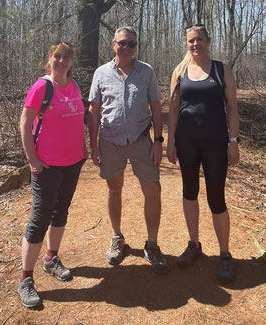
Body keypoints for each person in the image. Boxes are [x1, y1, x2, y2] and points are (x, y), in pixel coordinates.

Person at [88, 26, 169, 275]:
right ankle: (117, 237)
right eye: (122, 43)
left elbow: (156, 106)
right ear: (114, 44)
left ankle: (152, 244)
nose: (127, 48)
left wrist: (158, 140)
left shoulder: (146, 72)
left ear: (136, 47)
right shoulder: (101, 73)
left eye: (131, 44)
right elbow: (93, 110)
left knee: (153, 189)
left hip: (141, 140)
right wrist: (93, 144)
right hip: (110, 142)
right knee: (114, 188)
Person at [167, 24, 240, 283]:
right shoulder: (179, 71)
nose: (195, 44)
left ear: (208, 41)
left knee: (216, 198)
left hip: (216, 143)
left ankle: (225, 254)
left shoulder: (222, 70)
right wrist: (170, 142)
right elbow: (174, 109)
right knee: (189, 192)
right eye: (190, 40)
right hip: (187, 142)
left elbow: (232, 108)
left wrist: (233, 141)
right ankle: (194, 245)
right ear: (186, 43)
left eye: (199, 39)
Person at [18, 42, 86, 308]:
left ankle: (51, 258)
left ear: (71, 61)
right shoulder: (42, 87)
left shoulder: (75, 85)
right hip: (46, 165)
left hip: (73, 162)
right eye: (57, 56)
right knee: (39, 217)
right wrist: (32, 159)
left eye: (67, 57)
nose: (62, 61)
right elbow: (25, 123)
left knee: (61, 211)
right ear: (49, 59)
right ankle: (25, 278)